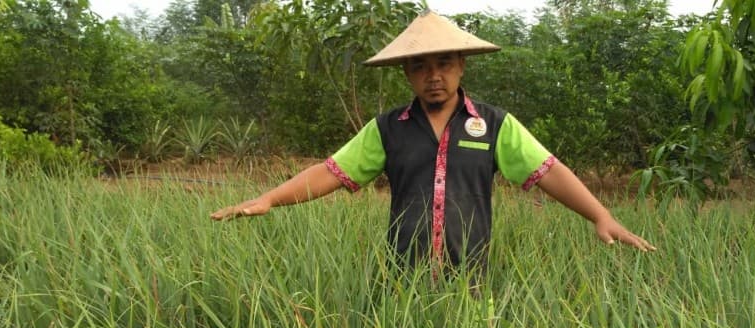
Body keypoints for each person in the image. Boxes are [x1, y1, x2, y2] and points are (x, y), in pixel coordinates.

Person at [210, 10, 655, 274]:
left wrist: (601, 215)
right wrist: (269, 199)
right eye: (421, 66)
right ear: (407, 72)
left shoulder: (496, 125)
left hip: (472, 280)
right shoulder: (388, 128)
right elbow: (331, 171)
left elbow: (549, 171)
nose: (434, 75)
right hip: (401, 279)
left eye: (444, 63)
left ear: (462, 65)